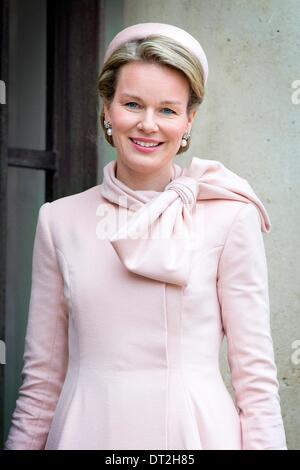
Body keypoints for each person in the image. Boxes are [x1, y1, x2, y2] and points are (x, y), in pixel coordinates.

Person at [5, 22, 287, 450]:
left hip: (196, 438)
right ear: (107, 108)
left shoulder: (230, 216)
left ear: (190, 118)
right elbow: (41, 382)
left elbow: (256, 380)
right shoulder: (58, 221)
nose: (148, 125)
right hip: (86, 433)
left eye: (168, 110)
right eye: (132, 103)